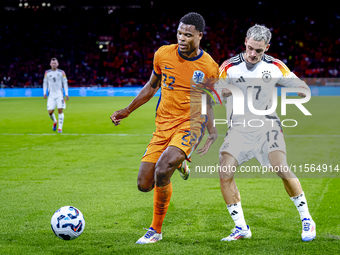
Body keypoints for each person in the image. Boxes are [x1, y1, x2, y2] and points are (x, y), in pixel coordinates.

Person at [110, 12, 219, 244]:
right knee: (144, 185)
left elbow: (206, 101)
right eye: (179, 33)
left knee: (162, 168)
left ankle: (155, 231)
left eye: (188, 35)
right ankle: (178, 163)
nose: (182, 38)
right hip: (163, 125)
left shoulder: (209, 66)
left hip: (191, 124)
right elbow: (151, 87)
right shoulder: (163, 54)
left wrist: (212, 130)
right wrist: (127, 110)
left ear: (200, 36)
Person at [217, 24, 316, 242]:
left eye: (259, 50)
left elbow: (303, 89)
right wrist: (221, 92)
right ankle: (241, 228)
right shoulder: (228, 67)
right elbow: (215, 93)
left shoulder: (275, 66)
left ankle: (307, 218)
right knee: (225, 172)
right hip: (238, 130)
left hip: (267, 126)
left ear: (267, 48)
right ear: (245, 42)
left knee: (281, 167)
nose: (253, 54)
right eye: (250, 48)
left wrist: (298, 90)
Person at [43, 58, 69, 133]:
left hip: (59, 95)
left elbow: (65, 83)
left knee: (60, 110)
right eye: (52, 63)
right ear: (50, 64)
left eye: (55, 63)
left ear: (57, 64)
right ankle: (55, 121)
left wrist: (66, 93)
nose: (54, 65)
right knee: (50, 112)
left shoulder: (62, 72)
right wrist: (44, 92)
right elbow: (45, 83)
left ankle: (60, 128)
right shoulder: (47, 73)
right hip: (51, 95)